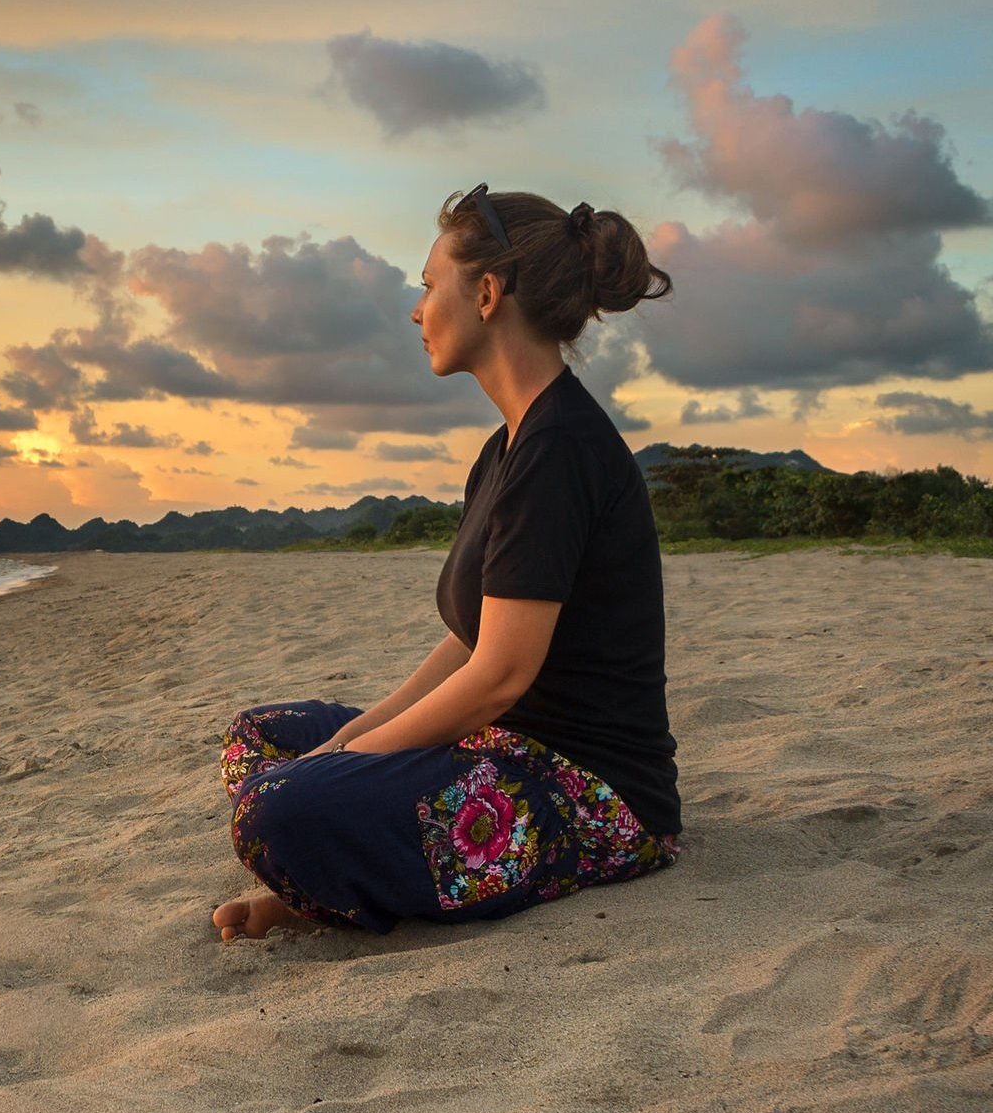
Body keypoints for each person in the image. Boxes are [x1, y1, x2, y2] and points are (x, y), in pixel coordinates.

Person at [212, 185, 682, 941]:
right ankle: (334, 879)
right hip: (494, 749)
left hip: (587, 794)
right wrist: (344, 745)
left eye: (429, 286)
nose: (415, 310)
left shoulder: (560, 447)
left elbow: (499, 675)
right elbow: (469, 642)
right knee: (262, 738)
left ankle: (328, 891)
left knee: (280, 808)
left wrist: (340, 767)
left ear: (487, 293)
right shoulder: (508, 447)